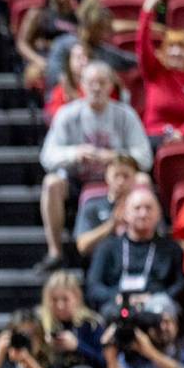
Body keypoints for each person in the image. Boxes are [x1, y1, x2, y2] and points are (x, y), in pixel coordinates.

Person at [36, 60, 152, 272]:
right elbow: (47, 156)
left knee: (143, 181)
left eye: (102, 82)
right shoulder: (67, 114)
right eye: (91, 82)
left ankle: (143, 243)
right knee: (51, 183)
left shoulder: (125, 115)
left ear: (111, 86)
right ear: (82, 84)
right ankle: (55, 252)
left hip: (116, 181)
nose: (96, 88)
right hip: (78, 179)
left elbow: (145, 157)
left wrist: (113, 157)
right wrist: (75, 153)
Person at [86, 188, 184, 313]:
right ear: (126, 214)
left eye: (149, 208)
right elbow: (94, 286)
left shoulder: (172, 248)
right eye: (137, 208)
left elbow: (181, 284)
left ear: (159, 214)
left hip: (157, 304)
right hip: (117, 304)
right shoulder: (107, 247)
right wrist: (115, 297)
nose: (143, 214)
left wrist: (157, 297)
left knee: (164, 308)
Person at [137, 0, 184, 147]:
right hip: (153, 139)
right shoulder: (154, 72)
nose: (176, 52)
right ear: (164, 51)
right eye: (171, 47)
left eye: (181, 47)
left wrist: (181, 133)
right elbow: (143, 47)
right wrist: (147, 11)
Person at [44, 0, 136, 92]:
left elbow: (130, 60)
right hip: (64, 101)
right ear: (91, 28)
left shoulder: (103, 50)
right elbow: (54, 78)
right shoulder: (63, 45)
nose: (106, 35)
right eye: (102, 29)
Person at [74, 154, 137, 258]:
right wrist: (111, 225)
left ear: (135, 178)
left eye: (126, 176)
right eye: (116, 175)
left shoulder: (144, 208)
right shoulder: (91, 206)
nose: (121, 181)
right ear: (107, 176)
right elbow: (82, 246)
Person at [16, 0, 78, 90]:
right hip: (44, 58)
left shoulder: (76, 15)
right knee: (35, 73)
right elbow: (22, 43)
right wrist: (37, 60)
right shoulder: (38, 13)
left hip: (69, 60)